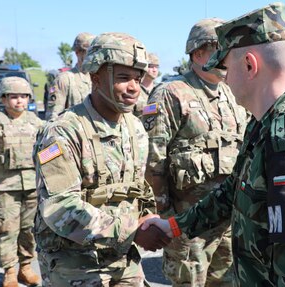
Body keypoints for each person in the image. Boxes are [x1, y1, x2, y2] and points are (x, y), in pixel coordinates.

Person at [142, 2, 285, 286]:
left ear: (248, 65)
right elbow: (233, 189)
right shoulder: (265, 123)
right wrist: (173, 224)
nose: (224, 78)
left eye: (225, 67)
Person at [33, 32, 171, 286]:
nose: (134, 87)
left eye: (137, 78)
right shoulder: (61, 132)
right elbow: (60, 207)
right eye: (123, 78)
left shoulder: (135, 129)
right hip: (75, 263)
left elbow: (137, 189)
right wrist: (131, 232)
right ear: (95, 78)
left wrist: (148, 220)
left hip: (123, 259)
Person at [142, 18, 247, 286]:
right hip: (187, 224)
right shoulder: (171, 94)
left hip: (228, 219)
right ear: (198, 52)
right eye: (219, 48)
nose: (227, 57)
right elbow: (153, 161)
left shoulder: (233, 95)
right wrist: (164, 216)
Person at [0, 76, 44, 287]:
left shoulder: (37, 123)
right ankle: (10, 271)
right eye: (13, 97)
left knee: (30, 230)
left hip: (32, 186)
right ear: (4, 99)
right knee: (7, 230)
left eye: (23, 96)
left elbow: (47, 152)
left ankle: (26, 267)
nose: (19, 101)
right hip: (3, 187)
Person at [45, 32, 95, 120]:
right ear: (77, 52)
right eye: (89, 52)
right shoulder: (64, 79)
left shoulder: (100, 78)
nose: (93, 56)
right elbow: (53, 116)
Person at [133, 53, 159, 117]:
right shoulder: (134, 89)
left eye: (157, 67)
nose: (155, 70)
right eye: (151, 66)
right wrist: (156, 108)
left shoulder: (159, 89)